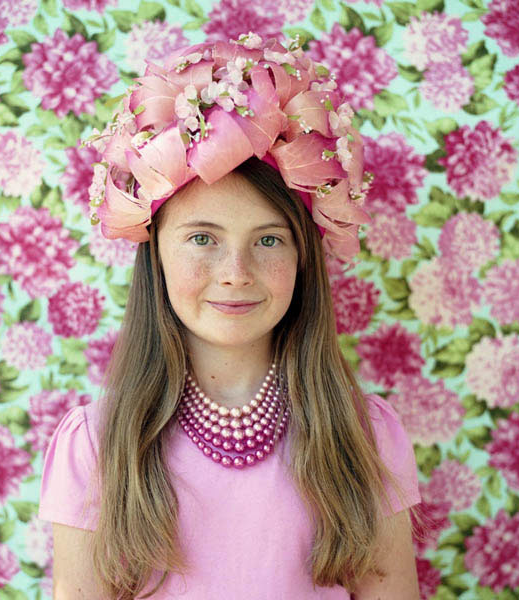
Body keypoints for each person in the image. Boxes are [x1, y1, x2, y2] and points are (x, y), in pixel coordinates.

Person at [39, 32, 421, 599]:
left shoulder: (362, 436)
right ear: (156, 256)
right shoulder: (95, 446)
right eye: (202, 238)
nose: (235, 271)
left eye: (268, 240)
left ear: (303, 259)